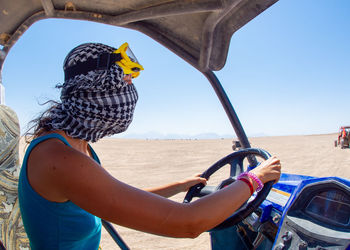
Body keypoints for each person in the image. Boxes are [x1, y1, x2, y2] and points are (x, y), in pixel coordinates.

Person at [18, 42, 281, 249]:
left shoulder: (76, 144)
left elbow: (114, 194)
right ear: (94, 86)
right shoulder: (58, 159)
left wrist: (179, 186)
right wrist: (252, 179)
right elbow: (187, 224)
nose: (130, 94)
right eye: (125, 82)